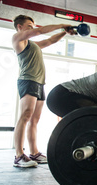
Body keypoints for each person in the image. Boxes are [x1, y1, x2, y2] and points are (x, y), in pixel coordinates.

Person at [12, 15, 76, 168]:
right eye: (29, 25)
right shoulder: (17, 39)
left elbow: (50, 41)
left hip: (39, 83)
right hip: (28, 81)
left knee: (34, 120)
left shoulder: (33, 45)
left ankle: (34, 153)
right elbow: (40, 31)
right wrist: (62, 24)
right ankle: (19, 155)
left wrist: (65, 32)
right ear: (20, 27)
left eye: (32, 25)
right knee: (25, 115)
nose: (32, 28)